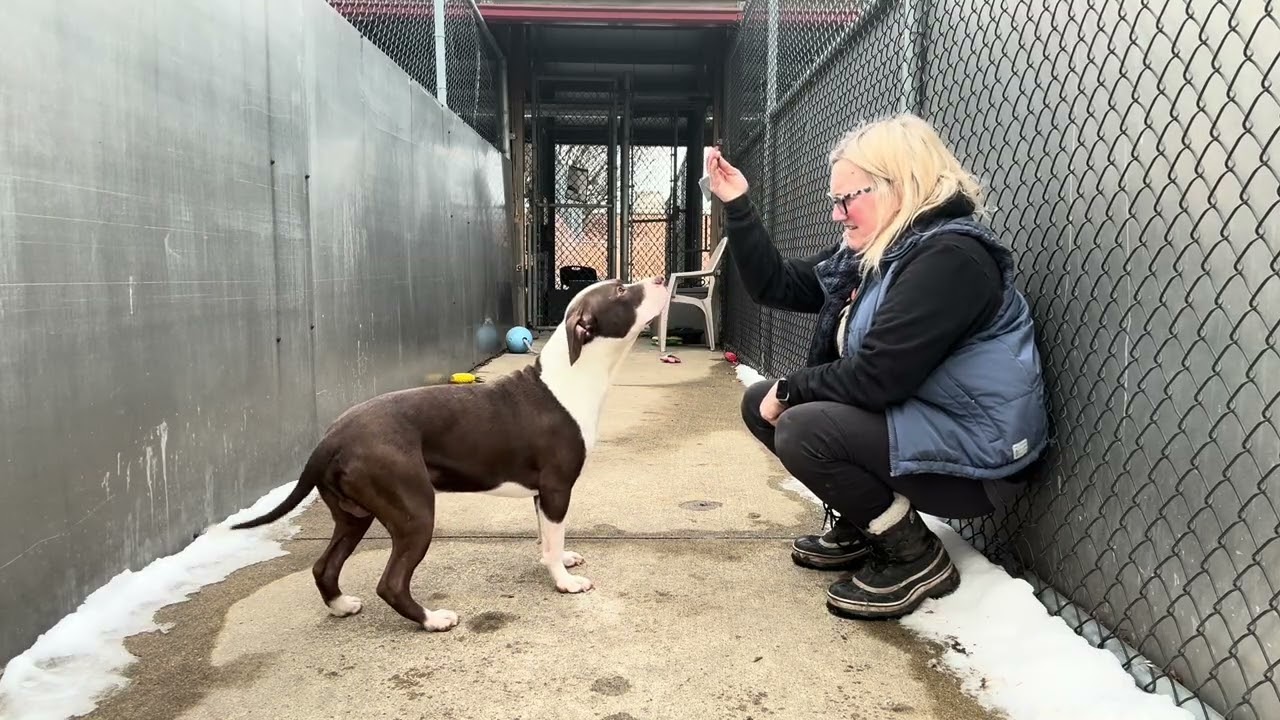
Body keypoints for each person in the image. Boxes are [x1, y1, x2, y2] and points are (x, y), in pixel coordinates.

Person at [704, 113, 1049, 620]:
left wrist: (793, 390)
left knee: (801, 424)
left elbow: (877, 377)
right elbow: (775, 284)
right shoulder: (876, 256)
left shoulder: (950, 259)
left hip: (981, 458)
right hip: (925, 426)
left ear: (899, 187)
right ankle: (866, 524)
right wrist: (737, 204)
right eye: (835, 201)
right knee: (763, 404)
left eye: (849, 198)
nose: (839, 214)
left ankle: (914, 556)